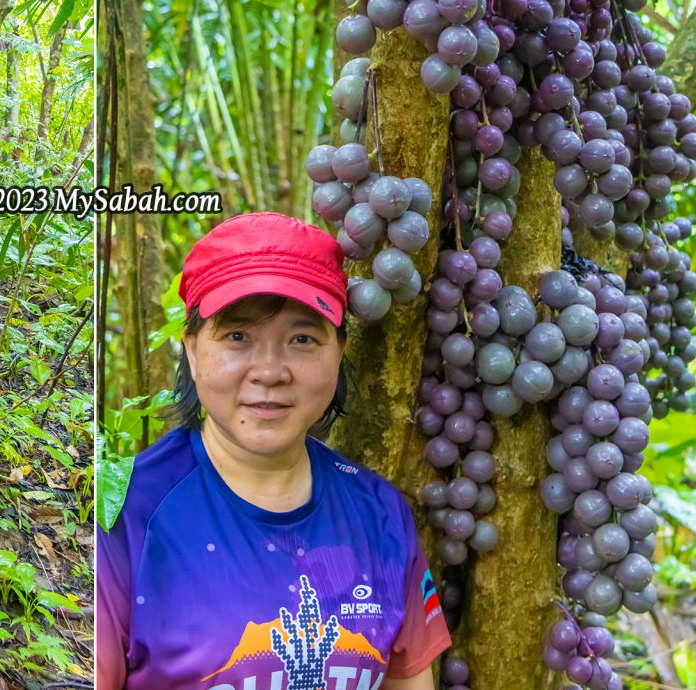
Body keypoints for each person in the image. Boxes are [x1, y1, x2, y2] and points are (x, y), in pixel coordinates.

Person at [96, 212, 452, 690]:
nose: (269, 371)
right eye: (237, 336)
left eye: (302, 338)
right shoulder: (121, 514)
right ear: (193, 349)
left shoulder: (380, 513)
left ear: (339, 351)